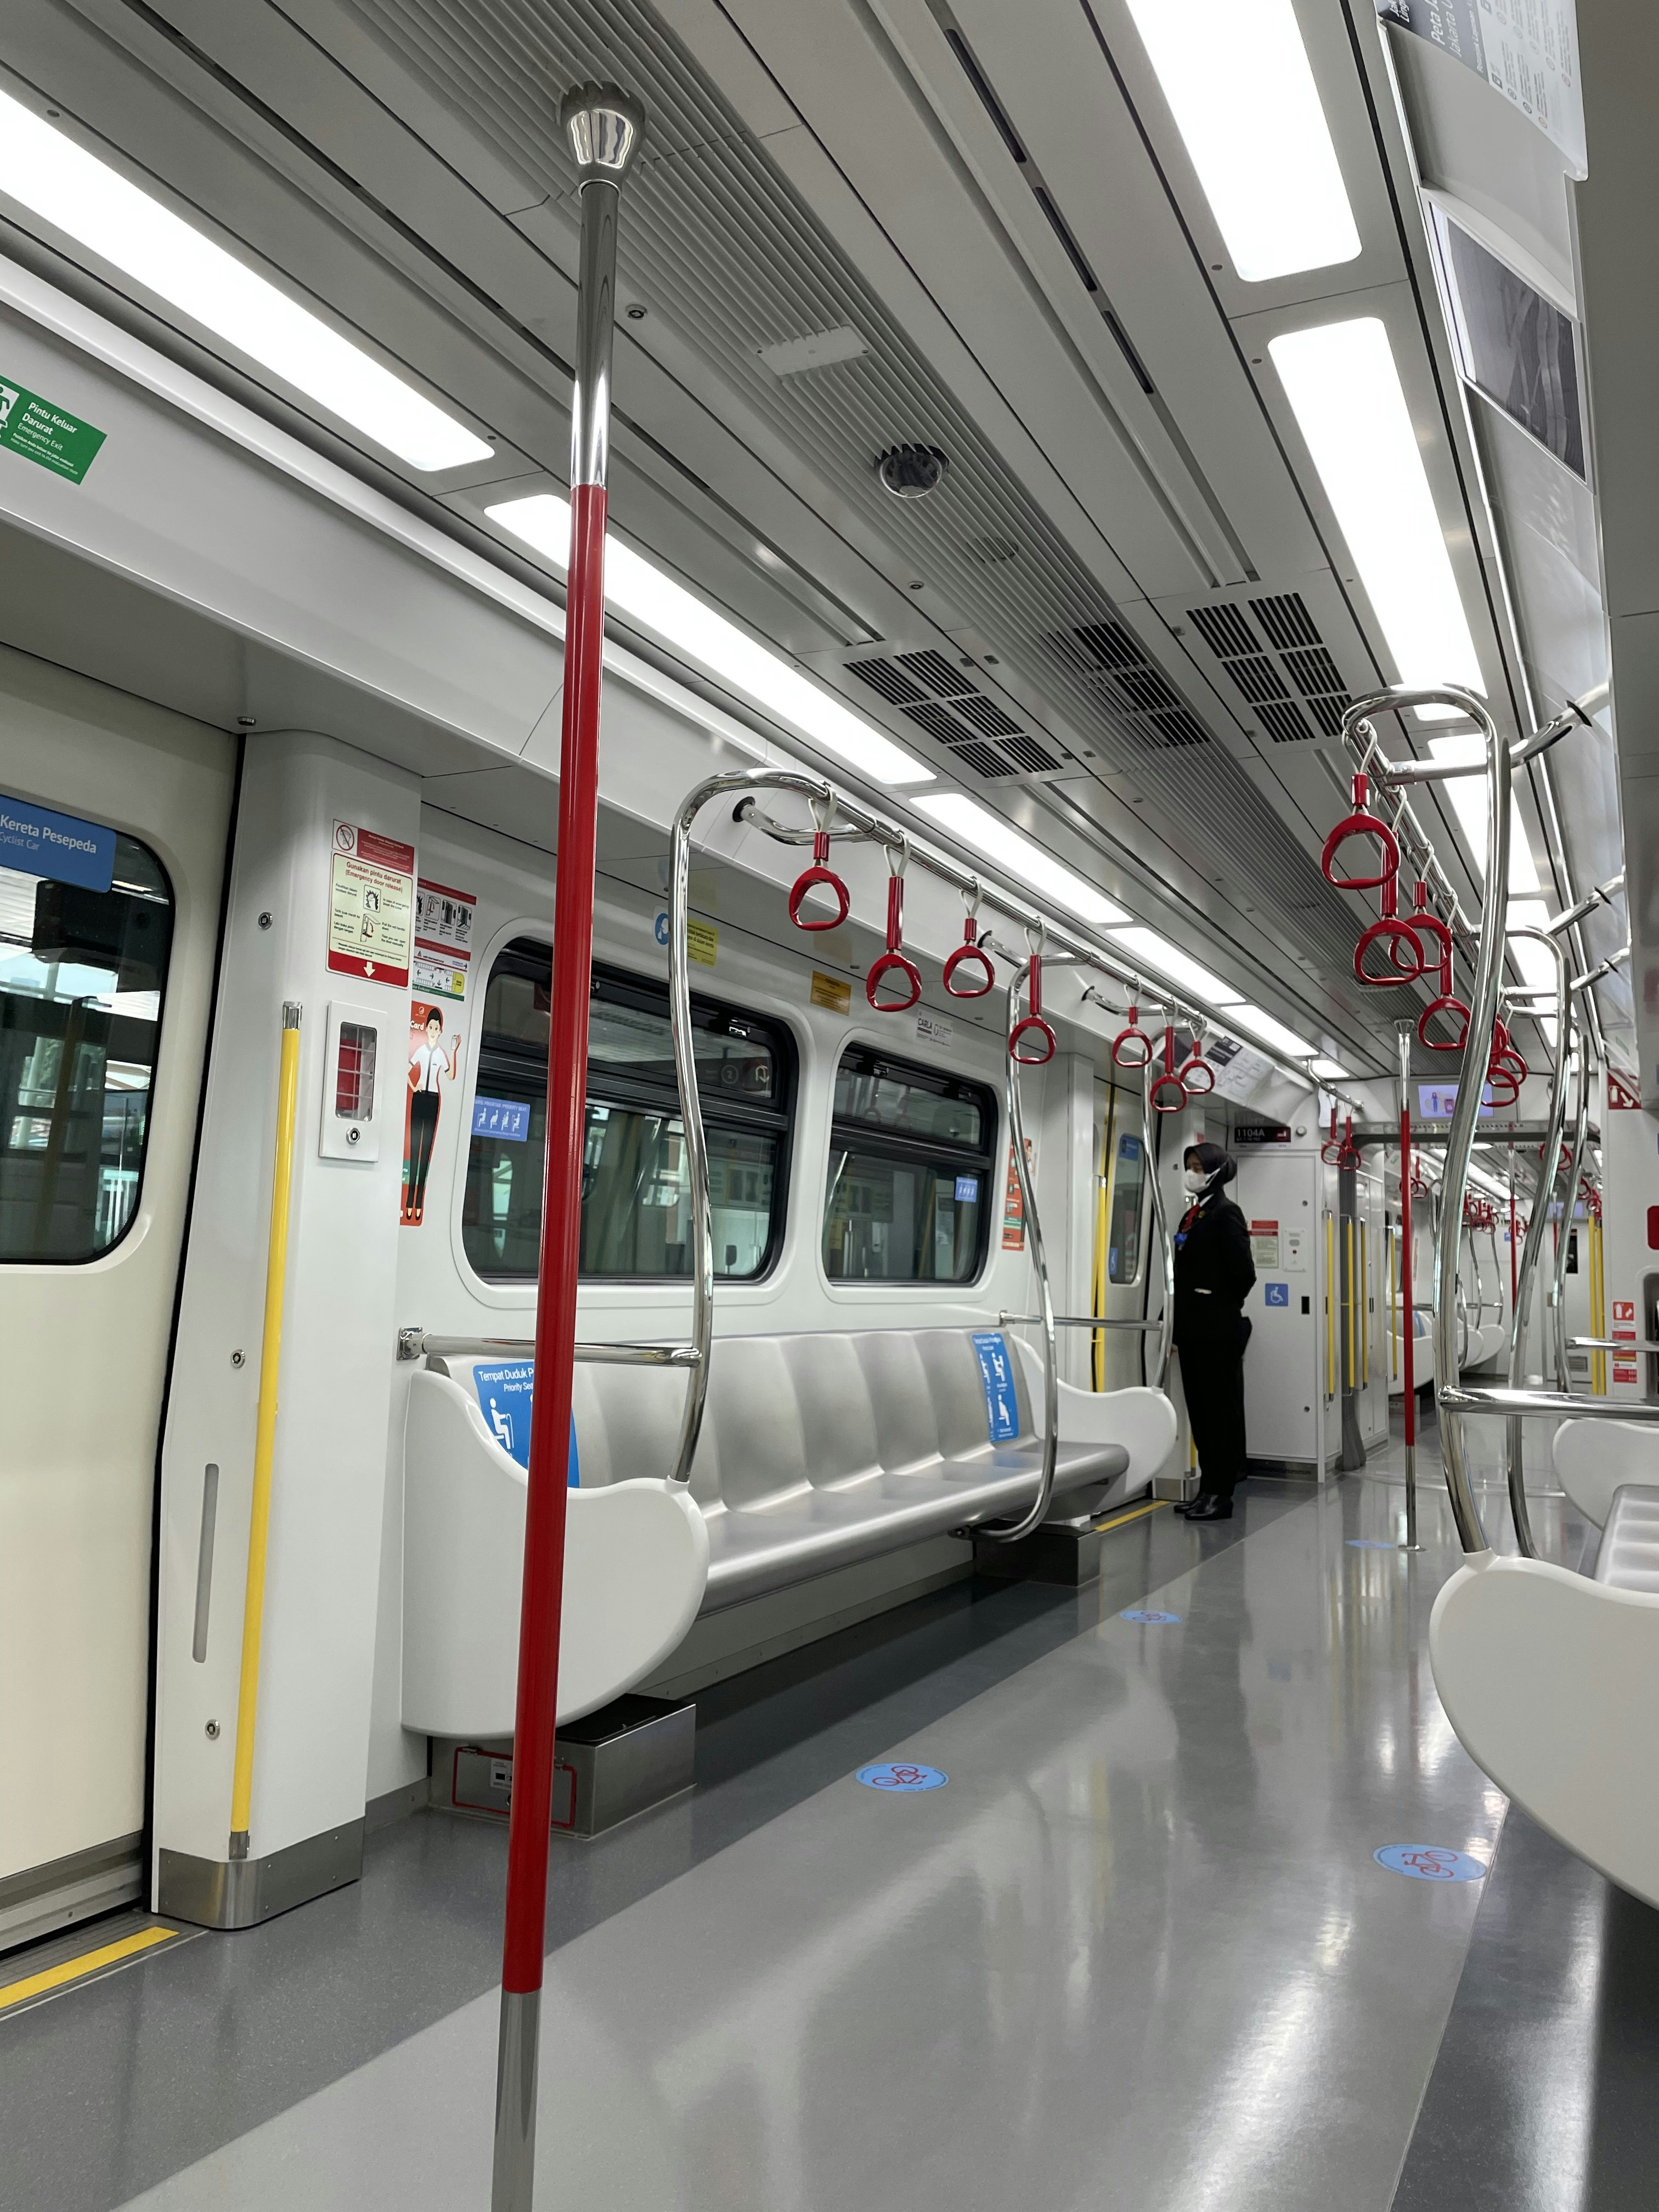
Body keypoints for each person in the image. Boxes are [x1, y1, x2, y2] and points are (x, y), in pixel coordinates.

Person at [1171, 1140, 1255, 1522]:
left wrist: (1213, 1303)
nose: (1193, 1173)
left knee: (1220, 1416)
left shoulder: (1226, 1213)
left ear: (1218, 1172)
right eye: (1190, 1165)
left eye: (1199, 1167)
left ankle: (1221, 1494)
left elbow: (1244, 1275)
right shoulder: (1192, 1216)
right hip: (1192, 1332)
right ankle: (1207, 1488)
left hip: (1217, 1332)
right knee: (1200, 1415)